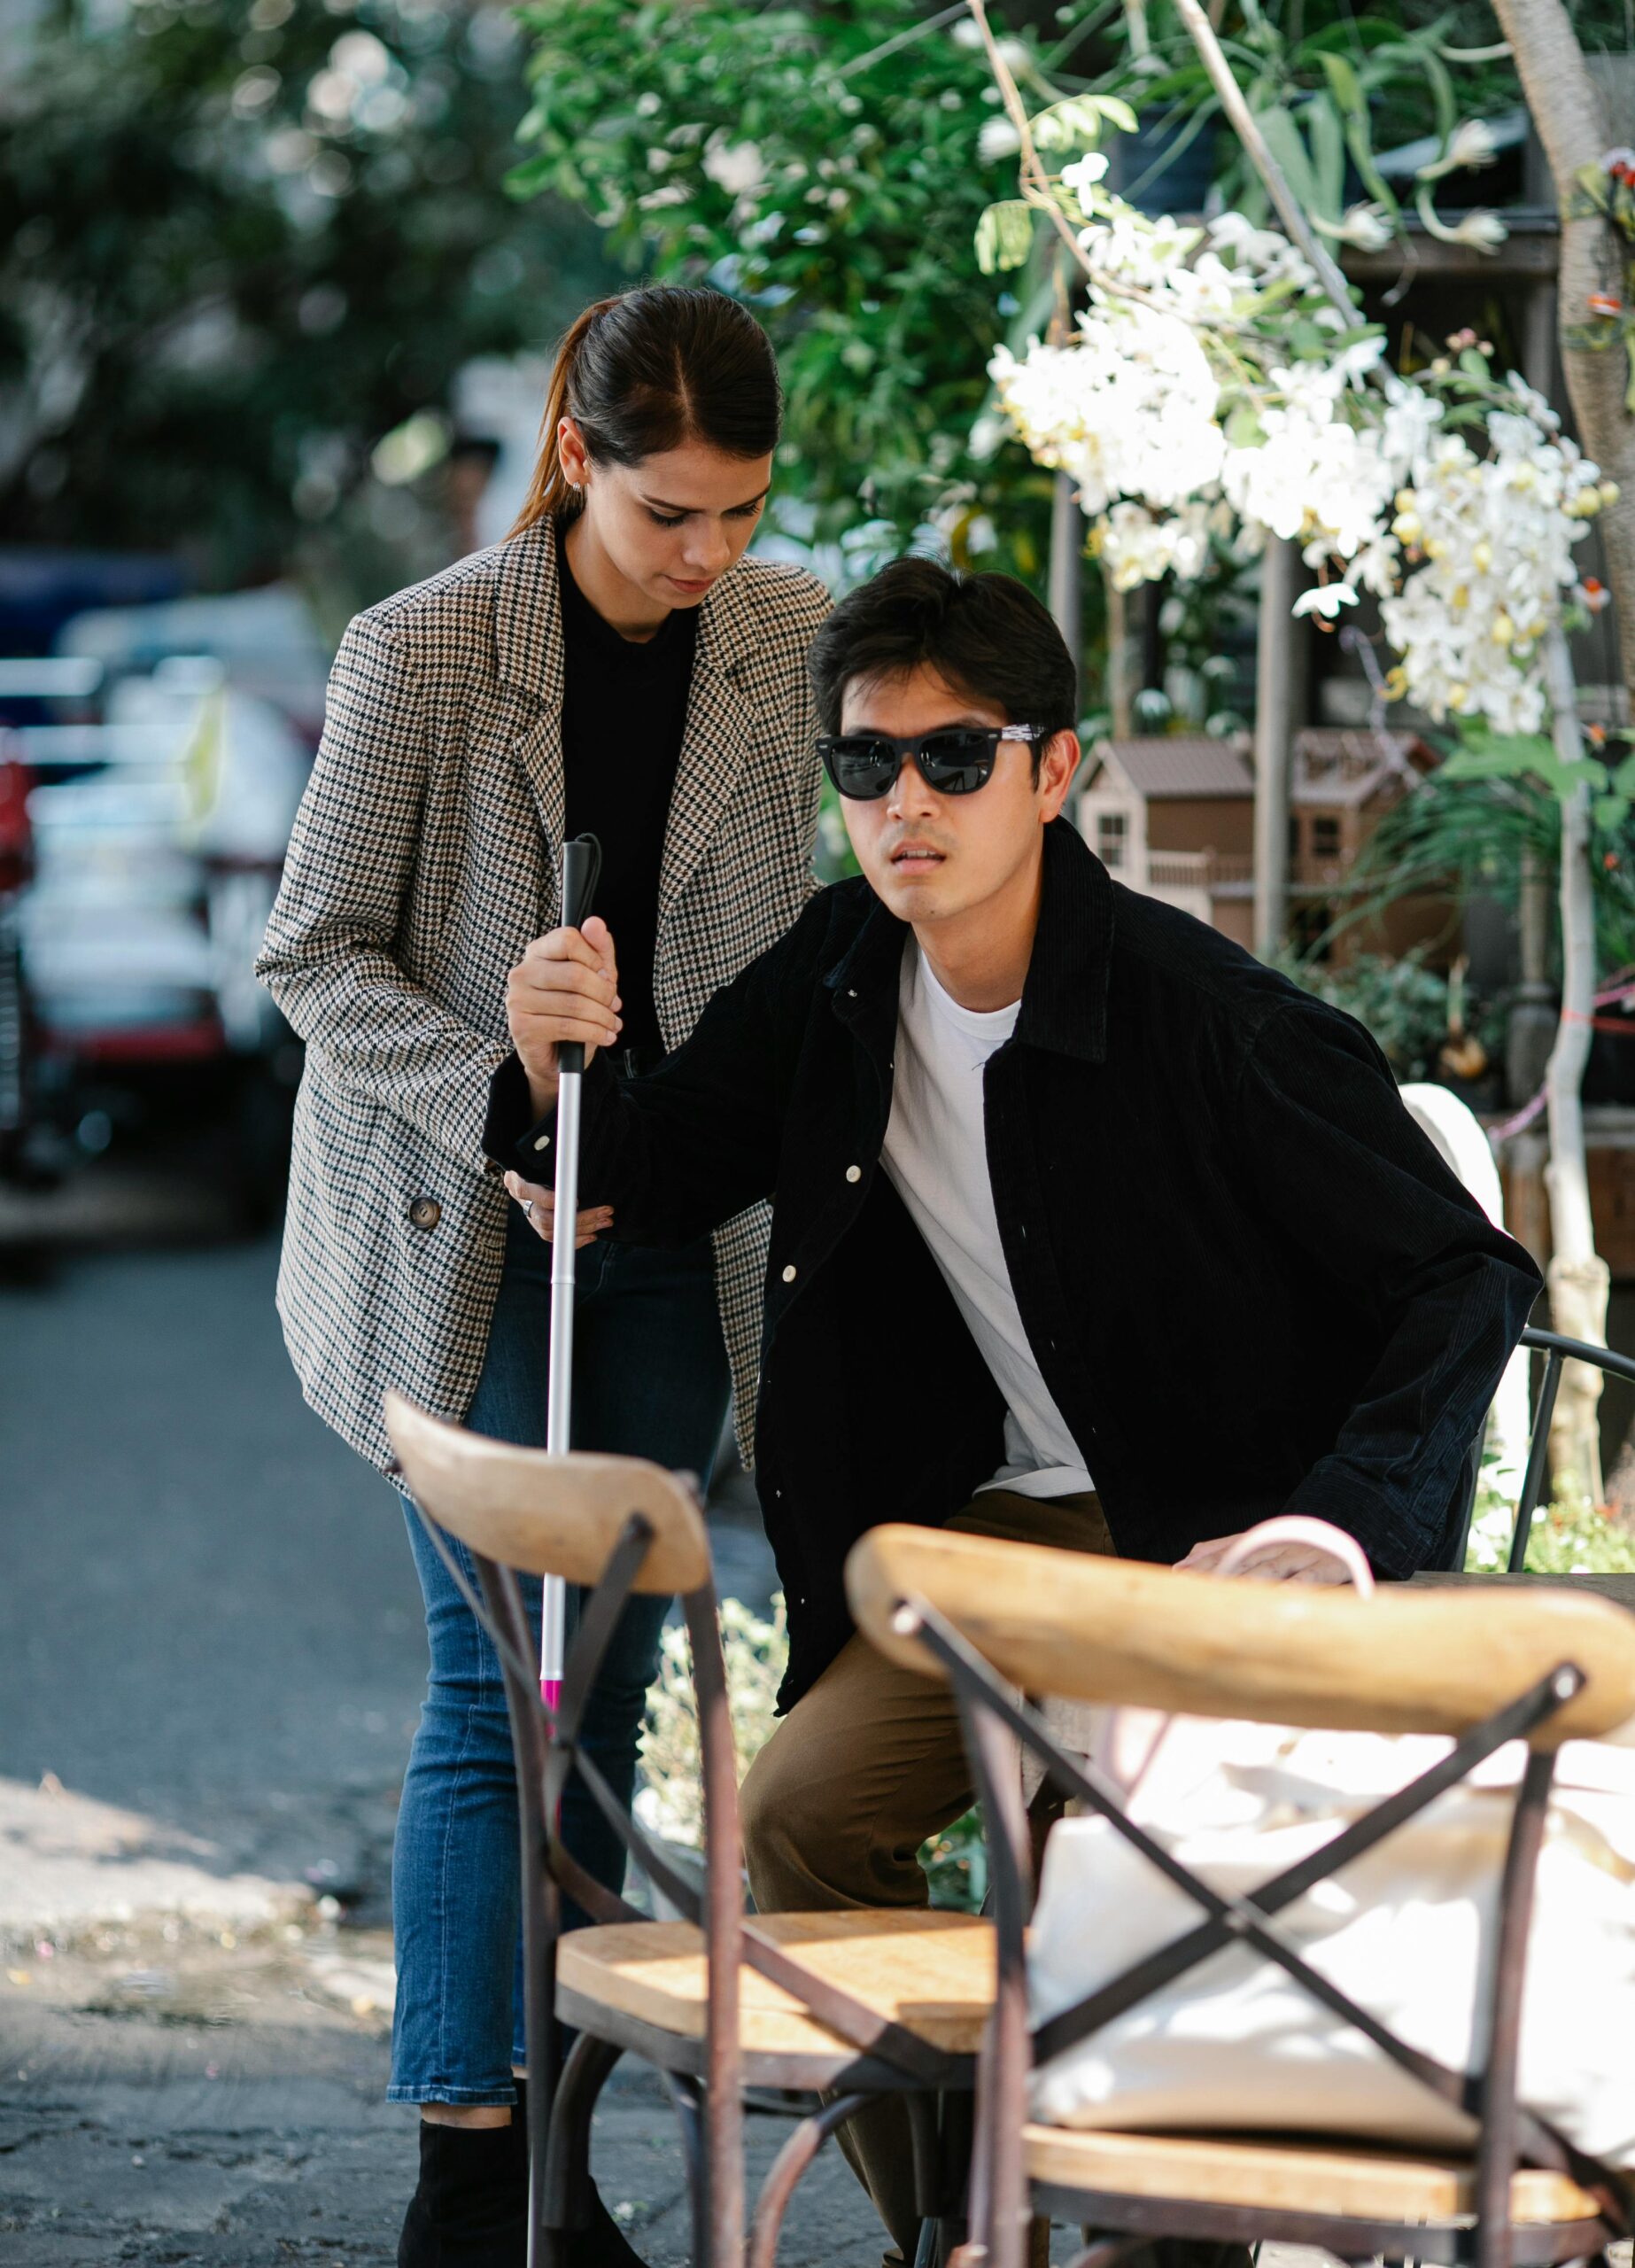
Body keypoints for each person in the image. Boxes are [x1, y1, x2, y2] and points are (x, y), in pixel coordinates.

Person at [492, 555, 1543, 2262]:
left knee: (1091, 1870)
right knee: (798, 1823)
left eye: (955, 759)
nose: (906, 802)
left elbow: (1468, 1276)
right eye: (867, 767)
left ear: (1053, 774)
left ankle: (1128, 2225)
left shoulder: (1210, 1025)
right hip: (989, 1542)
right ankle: (963, 2229)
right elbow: (655, 1165)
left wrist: (1329, 1529)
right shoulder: (843, 968)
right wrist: (552, 1070)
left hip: (1200, 1537)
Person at [255, 284, 830, 2268]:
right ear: (575, 460)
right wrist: (500, 1087)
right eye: (672, 512)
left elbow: (823, 939)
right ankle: (463, 2170)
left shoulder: (789, 638)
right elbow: (312, 956)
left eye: (743, 511)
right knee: (493, 1688)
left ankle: (549, 2148)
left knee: (606, 1683)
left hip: (675, 1244)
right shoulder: (419, 652)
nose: (710, 557)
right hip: (455, 1245)